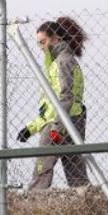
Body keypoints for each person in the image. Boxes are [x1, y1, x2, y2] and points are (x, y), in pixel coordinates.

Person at [16, 16, 90, 189]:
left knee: (41, 172)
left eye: (43, 42)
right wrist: (31, 128)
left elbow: (66, 97)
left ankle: (36, 204)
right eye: (39, 44)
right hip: (72, 121)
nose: (41, 47)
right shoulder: (63, 61)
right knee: (76, 175)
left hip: (59, 124)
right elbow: (51, 106)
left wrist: (56, 128)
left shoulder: (61, 62)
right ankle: (87, 203)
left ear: (56, 38)